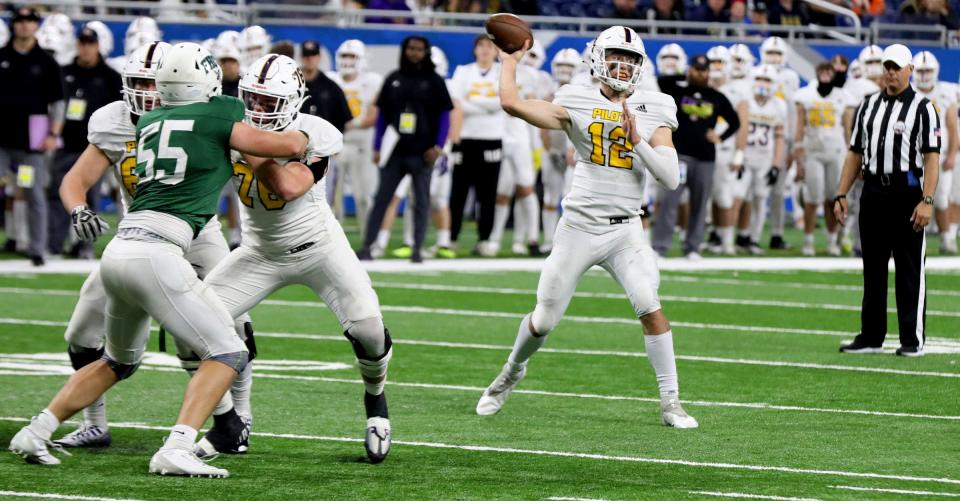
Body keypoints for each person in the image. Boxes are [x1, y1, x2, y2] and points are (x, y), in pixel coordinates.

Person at [8, 42, 309, 477]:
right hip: (161, 250)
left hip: (122, 248)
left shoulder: (149, 120)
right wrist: (309, 135)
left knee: (117, 361)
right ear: (206, 80)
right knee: (226, 350)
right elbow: (278, 143)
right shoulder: (219, 112)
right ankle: (180, 444)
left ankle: (36, 430)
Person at [475, 27, 697, 429]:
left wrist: (638, 142)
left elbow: (669, 177)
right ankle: (511, 371)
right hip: (578, 226)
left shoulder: (655, 105)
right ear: (597, 58)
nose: (623, 65)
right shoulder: (574, 97)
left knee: (649, 304)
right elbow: (511, 104)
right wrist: (509, 62)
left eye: (631, 59)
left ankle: (671, 402)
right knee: (544, 319)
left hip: (626, 228)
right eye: (616, 56)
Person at [51, 41, 254, 454]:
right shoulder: (113, 120)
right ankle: (95, 424)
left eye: (154, 81)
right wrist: (77, 209)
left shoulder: (205, 113)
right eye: (139, 82)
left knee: (232, 327)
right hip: (140, 236)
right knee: (81, 333)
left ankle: (237, 419)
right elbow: (75, 179)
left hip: (198, 233)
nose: (147, 91)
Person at [197, 53, 393, 463]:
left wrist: (248, 148)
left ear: (292, 102)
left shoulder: (314, 132)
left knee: (370, 332)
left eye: (269, 102)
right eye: (252, 99)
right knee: (194, 323)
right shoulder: (233, 124)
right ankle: (237, 421)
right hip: (259, 252)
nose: (258, 110)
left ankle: (375, 402)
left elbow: (288, 186)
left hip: (320, 249)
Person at [834, 44, 940, 358]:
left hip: (907, 192)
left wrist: (928, 199)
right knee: (873, 268)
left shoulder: (923, 107)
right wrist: (841, 193)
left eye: (897, 67)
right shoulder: (867, 106)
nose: (891, 72)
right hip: (873, 193)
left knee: (909, 270)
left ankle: (912, 339)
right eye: (887, 67)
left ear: (909, 70)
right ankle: (871, 335)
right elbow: (855, 153)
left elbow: (931, 157)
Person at [357, 36, 452, 263]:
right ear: (404, 50)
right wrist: (378, 146)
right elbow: (381, 117)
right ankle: (367, 246)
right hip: (395, 152)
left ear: (426, 52)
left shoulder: (435, 81)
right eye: (410, 48)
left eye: (419, 49)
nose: (414, 53)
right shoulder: (393, 79)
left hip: (423, 152)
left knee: (421, 202)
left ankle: (417, 249)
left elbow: (445, 116)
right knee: (382, 199)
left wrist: (438, 146)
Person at [653, 54, 740, 259]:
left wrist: (720, 136)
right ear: (691, 69)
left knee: (700, 204)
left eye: (703, 70)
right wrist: (685, 73)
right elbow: (662, 80)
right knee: (669, 202)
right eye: (697, 69)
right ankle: (660, 246)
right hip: (680, 155)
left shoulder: (716, 96)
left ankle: (693, 247)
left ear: (709, 72)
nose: (700, 73)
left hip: (705, 158)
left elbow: (734, 121)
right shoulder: (679, 90)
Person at [47, 26, 122, 258]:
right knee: (58, 194)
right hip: (66, 144)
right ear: (77, 45)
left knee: (90, 197)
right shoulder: (63, 72)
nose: (86, 48)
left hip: (96, 149)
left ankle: (85, 245)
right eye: (82, 43)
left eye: (90, 43)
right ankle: (54, 244)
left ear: (98, 46)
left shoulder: (110, 76)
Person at [0, 7, 65, 266]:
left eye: (29, 21)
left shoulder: (45, 62)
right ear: (14, 25)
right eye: (20, 21)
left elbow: (58, 101)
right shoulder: (2, 56)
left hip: (31, 143)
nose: (24, 26)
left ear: (36, 26)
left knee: (33, 193)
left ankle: (37, 249)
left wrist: (53, 132)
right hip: (1, 140)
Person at [446, 35, 505, 255]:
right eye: (481, 45)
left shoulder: (502, 72)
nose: (485, 50)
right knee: (459, 192)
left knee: (487, 193)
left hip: (491, 138)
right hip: (465, 138)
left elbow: (501, 103)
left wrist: (470, 104)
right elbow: (456, 103)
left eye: (489, 45)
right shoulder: (463, 71)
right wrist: (485, 106)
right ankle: (451, 237)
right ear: (475, 49)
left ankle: (485, 239)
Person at [793, 62, 857, 256]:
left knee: (833, 198)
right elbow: (799, 129)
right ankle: (808, 241)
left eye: (828, 71)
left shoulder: (842, 96)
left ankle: (831, 241)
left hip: (836, 151)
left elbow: (847, 130)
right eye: (822, 71)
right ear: (817, 73)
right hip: (813, 151)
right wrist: (798, 157)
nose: (825, 75)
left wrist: (850, 156)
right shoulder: (806, 96)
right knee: (812, 198)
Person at [328, 40, 383, 235]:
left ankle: (369, 239)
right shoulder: (331, 79)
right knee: (333, 198)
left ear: (361, 59)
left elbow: (374, 116)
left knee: (364, 196)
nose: (347, 61)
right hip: (336, 145)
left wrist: (349, 124)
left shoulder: (373, 81)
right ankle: (332, 241)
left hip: (362, 144)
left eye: (352, 56)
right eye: (344, 56)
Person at [732, 65, 787, 255]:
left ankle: (752, 238)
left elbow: (779, 138)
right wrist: (737, 156)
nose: (762, 84)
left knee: (760, 199)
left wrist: (776, 165)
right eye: (759, 79)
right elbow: (738, 132)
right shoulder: (745, 102)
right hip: (746, 157)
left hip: (765, 158)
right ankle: (733, 237)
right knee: (739, 196)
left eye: (767, 80)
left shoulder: (778, 106)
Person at [911, 51, 958, 254]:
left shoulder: (946, 92)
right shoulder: (908, 91)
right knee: (910, 199)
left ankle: (946, 238)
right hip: (913, 157)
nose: (924, 75)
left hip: (939, 154)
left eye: (927, 70)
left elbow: (951, 127)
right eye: (920, 70)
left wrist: (952, 154)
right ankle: (910, 241)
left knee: (941, 199)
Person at [299, 40, 352, 134]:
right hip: (296, 140)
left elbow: (344, 119)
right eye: (306, 55)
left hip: (324, 142)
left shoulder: (332, 87)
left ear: (319, 57)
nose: (310, 59)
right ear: (302, 58)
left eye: (313, 55)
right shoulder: (293, 85)